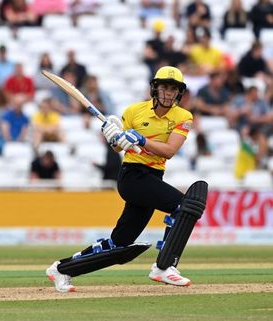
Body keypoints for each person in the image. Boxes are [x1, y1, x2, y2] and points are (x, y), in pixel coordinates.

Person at [46, 66, 208, 292]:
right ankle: (164, 267)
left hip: (153, 177)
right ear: (155, 88)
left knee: (119, 244)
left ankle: (62, 269)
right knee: (184, 206)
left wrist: (141, 140)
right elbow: (117, 148)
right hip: (132, 177)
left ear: (179, 93)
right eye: (164, 87)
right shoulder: (133, 111)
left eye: (173, 89)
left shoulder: (184, 116)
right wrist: (112, 137)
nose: (168, 93)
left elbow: (169, 150)